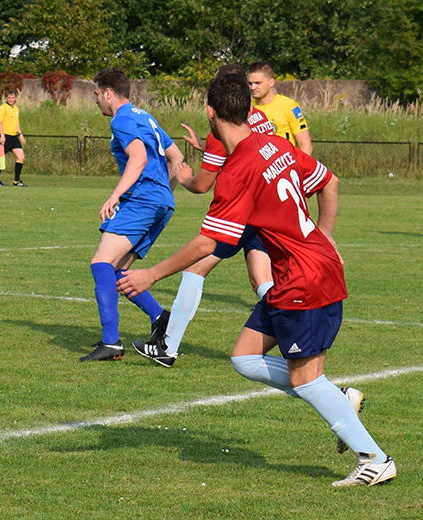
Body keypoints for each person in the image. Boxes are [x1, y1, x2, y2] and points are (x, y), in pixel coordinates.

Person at [117, 73, 396, 487]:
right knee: (245, 357)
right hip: (301, 272)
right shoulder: (274, 143)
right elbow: (329, 181)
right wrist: (326, 235)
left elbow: (210, 240)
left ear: (211, 114)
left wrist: (151, 274)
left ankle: (374, 458)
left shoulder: (239, 168)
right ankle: (339, 400)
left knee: (305, 378)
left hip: (304, 280)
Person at [131, 64, 275, 369]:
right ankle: (298, 322)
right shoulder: (260, 118)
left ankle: (168, 347)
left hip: (242, 213)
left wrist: (184, 178)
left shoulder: (219, 134)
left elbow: (203, 184)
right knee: (261, 280)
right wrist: (206, 147)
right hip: (268, 205)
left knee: (195, 268)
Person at [80, 68, 184, 362]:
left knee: (100, 263)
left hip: (142, 200)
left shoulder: (121, 119)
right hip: (162, 202)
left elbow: (137, 157)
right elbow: (177, 158)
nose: (96, 100)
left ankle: (111, 342)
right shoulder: (146, 117)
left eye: (97, 94)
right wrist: (164, 193)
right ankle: (159, 318)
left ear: (109, 93)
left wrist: (115, 195)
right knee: (115, 272)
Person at [247, 60, 313, 156]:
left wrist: (299, 169)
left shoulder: (289, 106)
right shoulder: (246, 108)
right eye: (250, 83)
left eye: (258, 83)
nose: (253, 87)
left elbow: (305, 144)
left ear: (271, 83)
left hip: (285, 166)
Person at [0, 90, 27, 187]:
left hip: (14, 137)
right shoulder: (3, 108)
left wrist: (20, 134)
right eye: (9, 98)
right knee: (1, 158)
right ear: (6, 98)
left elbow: (16, 123)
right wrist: (2, 135)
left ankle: (16, 181)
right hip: (5, 136)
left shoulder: (16, 109)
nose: (11, 100)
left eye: (12, 98)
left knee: (21, 157)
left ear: (15, 99)